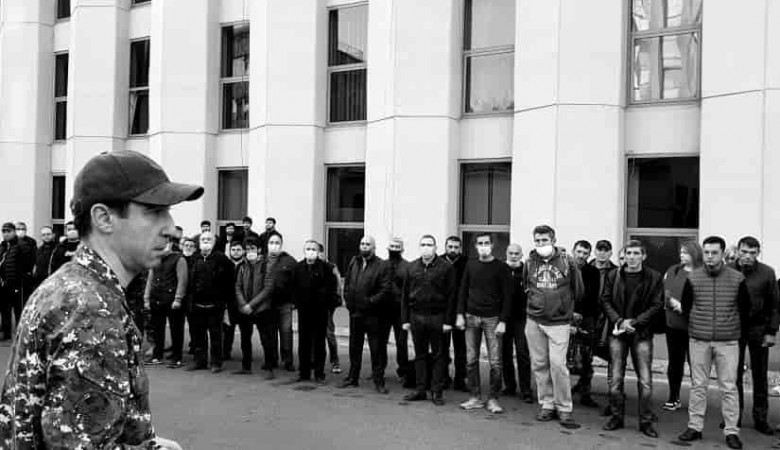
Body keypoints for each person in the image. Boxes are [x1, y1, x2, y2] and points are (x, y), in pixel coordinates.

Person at [0, 150, 196, 448]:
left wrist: (148, 443)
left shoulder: (71, 286)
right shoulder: (90, 311)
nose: (170, 228)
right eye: (154, 211)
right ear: (104, 218)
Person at [677, 236, 751, 450]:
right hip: (698, 340)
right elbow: (686, 307)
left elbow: (745, 310)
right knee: (698, 386)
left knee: (728, 387)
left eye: (714, 252)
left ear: (722, 253)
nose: (709, 256)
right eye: (706, 252)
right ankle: (694, 427)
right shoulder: (693, 277)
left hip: (728, 342)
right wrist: (695, 328)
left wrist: (736, 333)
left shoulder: (737, 278)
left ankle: (731, 431)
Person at [600, 240, 663, 438]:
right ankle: (616, 417)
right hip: (618, 332)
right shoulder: (613, 275)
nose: (632, 257)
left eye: (636, 253)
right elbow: (605, 300)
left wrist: (634, 322)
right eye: (629, 253)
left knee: (645, 380)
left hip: (641, 333)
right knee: (616, 378)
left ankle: (645, 421)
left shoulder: (654, 277)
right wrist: (619, 321)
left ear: (643, 256)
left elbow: (657, 304)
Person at [524, 225, 583, 429]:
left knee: (558, 365)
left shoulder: (567, 261)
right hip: (534, 320)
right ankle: (547, 403)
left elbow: (578, 289)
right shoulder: (530, 261)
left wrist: (568, 310)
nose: (541, 244)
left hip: (559, 321)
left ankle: (564, 407)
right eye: (537, 241)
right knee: (539, 364)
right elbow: (527, 286)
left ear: (553, 240)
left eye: (544, 240)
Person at [456, 233, 512, 414]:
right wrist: (459, 314)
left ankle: (493, 399)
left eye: (486, 243)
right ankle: (474, 397)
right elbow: (463, 290)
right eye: (480, 243)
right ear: (475, 246)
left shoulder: (501, 267)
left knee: (495, 362)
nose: (483, 246)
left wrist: (503, 321)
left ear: (492, 245)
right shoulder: (470, 265)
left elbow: (508, 297)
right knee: (471, 360)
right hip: (471, 317)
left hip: (493, 319)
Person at [730, 236, 779, 435]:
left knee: (760, 376)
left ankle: (761, 419)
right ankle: (734, 417)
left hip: (759, 329)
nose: (748, 256)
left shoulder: (767, 273)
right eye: (744, 252)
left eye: (752, 252)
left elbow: (774, 305)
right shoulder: (727, 271)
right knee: (733, 376)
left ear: (758, 253)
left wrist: (771, 332)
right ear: (738, 251)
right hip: (733, 329)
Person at [401, 235, 456, 406]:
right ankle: (420, 390)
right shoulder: (412, 267)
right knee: (420, 354)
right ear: (419, 247)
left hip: (437, 316)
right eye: (423, 244)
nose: (426, 247)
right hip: (416, 316)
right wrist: (405, 319)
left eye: (429, 245)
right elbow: (405, 295)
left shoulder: (446, 267)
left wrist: (448, 321)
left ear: (435, 247)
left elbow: (451, 296)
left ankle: (436, 391)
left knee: (439, 355)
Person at [341, 236, 392, 393]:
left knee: (376, 349)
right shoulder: (354, 262)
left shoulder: (382, 265)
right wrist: (348, 301)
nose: (364, 246)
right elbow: (347, 283)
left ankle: (379, 381)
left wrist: (370, 302)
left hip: (373, 315)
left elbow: (385, 290)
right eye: (362, 243)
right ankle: (353, 378)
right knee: (354, 347)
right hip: (355, 313)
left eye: (367, 244)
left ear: (374, 247)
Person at [662, 241, 703, 412]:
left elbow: (705, 299)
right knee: (675, 363)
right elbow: (665, 291)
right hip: (673, 325)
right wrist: (669, 302)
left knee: (697, 366)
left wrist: (683, 307)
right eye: (680, 252)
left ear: (694, 254)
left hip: (696, 327)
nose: (681, 255)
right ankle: (673, 397)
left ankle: (698, 401)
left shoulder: (703, 273)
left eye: (685, 252)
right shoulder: (674, 270)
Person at [187, 231, 234, 373]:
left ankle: (216, 363)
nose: (206, 241)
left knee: (216, 336)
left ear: (214, 242)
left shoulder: (222, 259)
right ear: (199, 242)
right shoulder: (194, 258)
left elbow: (230, 282)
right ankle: (200, 361)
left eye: (209, 239)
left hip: (216, 305)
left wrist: (226, 303)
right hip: (197, 305)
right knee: (198, 335)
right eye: (203, 239)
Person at [293, 240, 339, 383]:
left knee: (319, 343)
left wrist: (326, 304)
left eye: (313, 249)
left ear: (318, 252)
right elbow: (293, 287)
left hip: (320, 311)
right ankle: (304, 372)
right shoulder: (298, 267)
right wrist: (297, 303)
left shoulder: (326, 268)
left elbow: (331, 289)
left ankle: (319, 373)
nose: (310, 251)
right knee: (303, 342)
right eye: (308, 249)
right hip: (304, 311)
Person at [235, 238, 278, 378]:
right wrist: (243, 304)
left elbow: (268, 289)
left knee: (266, 339)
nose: (249, 252)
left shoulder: (267, 266)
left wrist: (251, 305)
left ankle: (269, 368)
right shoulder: (242, 266)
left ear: (259, 249)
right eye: (247, 249)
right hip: (245, 309)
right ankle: (246, 366)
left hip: (261, 309)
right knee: (245, 339)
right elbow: (237, 287)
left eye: (252, 248)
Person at [143, 234, 188, 368]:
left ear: (171, 244)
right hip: (156, 299)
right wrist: (146, 298)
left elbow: (182, 280)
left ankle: (177, 358)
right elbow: (150, 280)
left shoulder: (179, 259)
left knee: (176, 330)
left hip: (172, 300)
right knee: (157, 330)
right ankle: (157, 356)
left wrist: (178, 299)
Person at [257, 233, 297, 371]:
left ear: (281, 244)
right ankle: (271, 360)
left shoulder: (289, 261)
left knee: (286, 332)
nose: (274, 245)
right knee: (270, 333)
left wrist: (294, 301)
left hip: (285, 303)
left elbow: (296, 282)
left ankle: (288, 360)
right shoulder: (261, 261)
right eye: (271, 242)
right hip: (267, 304)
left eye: (277, 242)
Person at [570, 240, 602, 408]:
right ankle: (560, 393)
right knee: (564, 357)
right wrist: (571, 313)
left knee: (586, 358)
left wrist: (581, 314)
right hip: (565, 317)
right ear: (573, 251)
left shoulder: (593, 272)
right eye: (579, 252)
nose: (581, 255)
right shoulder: (565, 268)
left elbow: (592, 296)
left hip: (587, 318)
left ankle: (585, 393)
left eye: (585, 253)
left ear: (589, 255)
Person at [501, 243, 533, 404]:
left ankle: (526, 389)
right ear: (506, 254)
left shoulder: (527, 271)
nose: (513, 256)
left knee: (523, 354)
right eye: (511, 253)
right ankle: (510, 386)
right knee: (505, 353)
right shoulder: (501, 269)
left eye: (516, 253)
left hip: (522, 318)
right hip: (504, 319)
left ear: (521, 255)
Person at [0, 222, 35, 342]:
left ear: (14, 232)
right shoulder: (3, 246)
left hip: (18, 284)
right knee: (5, 310)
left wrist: (22, 279)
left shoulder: (21, 245)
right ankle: (6, 333)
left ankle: (21, 335)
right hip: (4, 284)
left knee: (19, 310)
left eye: (8, 231)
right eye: (3, 231)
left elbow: (28, 264)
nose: (5, 234)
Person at [442, 235, 468, 392]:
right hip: (443, 313)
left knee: (461, 349)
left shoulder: (466, 263)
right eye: (450, 246)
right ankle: (443, 378)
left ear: (460, 248)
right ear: (445, 247)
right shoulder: (438, 262)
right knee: (442, 348)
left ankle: (460, 380)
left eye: (456, 247)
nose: (453, 250)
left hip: (460, 312)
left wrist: (463, 312)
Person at [387, 237, 412, 386]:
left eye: (397, 247)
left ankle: (403, 371)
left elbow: (409, 290)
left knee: (401, 343)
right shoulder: (382, 265)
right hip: (384, 310)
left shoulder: (407, 267)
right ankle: (378, 370)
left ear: (402, 249)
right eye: (392, 246)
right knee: (379, 342)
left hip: (400, 311)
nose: (394, 249)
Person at [318, 242, 343, 374]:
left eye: (318, 251)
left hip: (328, 304)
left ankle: (335, 360)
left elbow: (338, 284)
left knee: (329, 333)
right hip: (314, 304)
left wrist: (338, 299)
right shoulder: (311, 265)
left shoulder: (331, 266)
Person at [223, 240, 246, 361]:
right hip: (229, 302)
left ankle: (246, 355)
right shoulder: (225, 265)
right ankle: (226, 353)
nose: (236, 252)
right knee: (227, 330)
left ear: (243, 251)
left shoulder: (247, 265)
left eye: (238, 250)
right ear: (230, 251)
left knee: (245, 331)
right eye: (233, 250)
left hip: (243, 302)